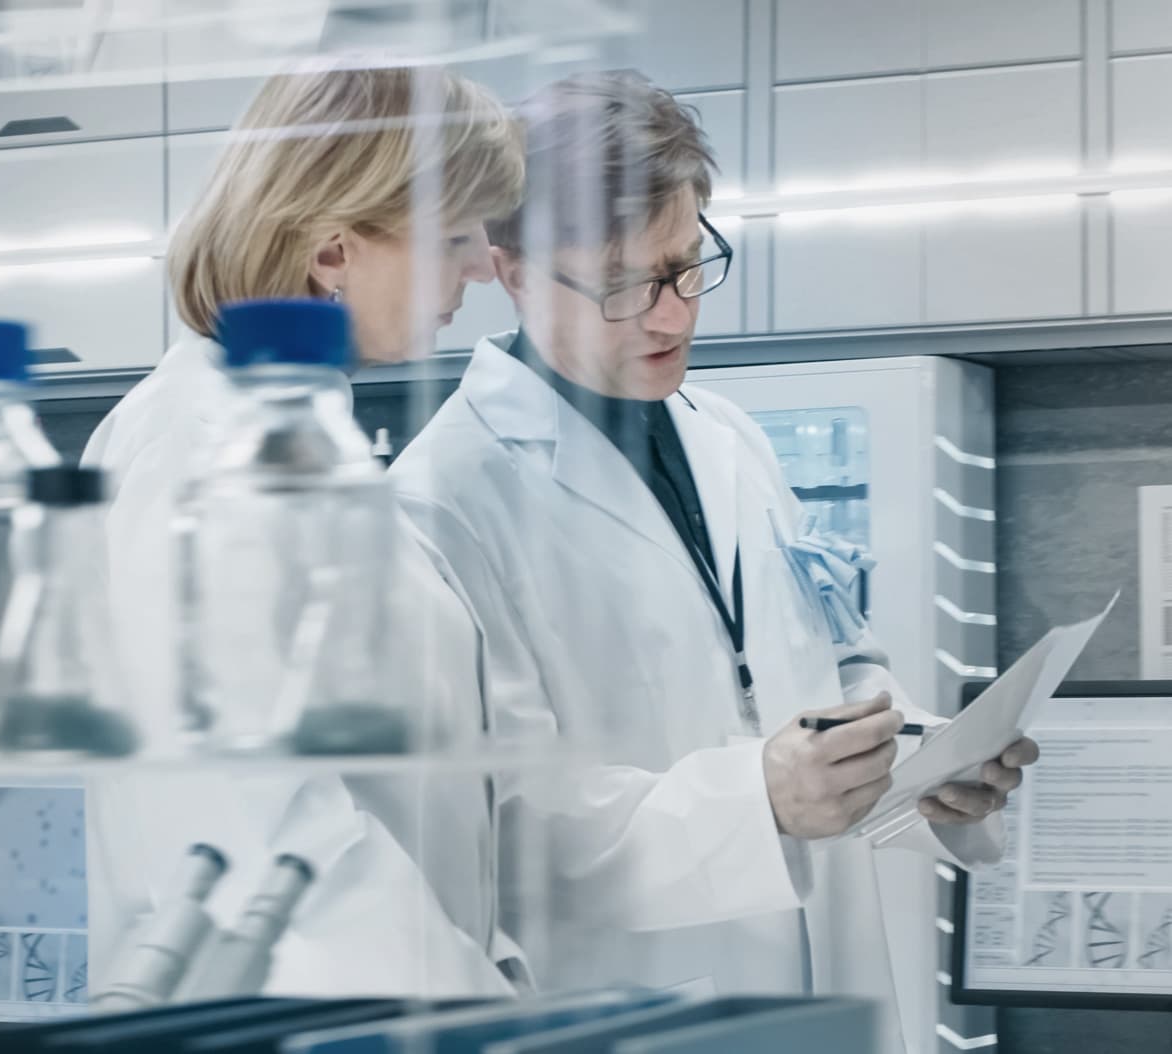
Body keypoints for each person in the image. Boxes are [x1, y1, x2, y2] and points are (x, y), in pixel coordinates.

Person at [388, 70, 1039, 1049]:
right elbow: (504, 828)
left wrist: (919, 757)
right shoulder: (443, 498)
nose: (672, 315)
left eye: (687, 264)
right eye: (624, 284)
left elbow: (828, 665)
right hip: (639, 1002)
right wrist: (759, 800)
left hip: (830, 984)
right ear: (510, 267)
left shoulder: (726, 435)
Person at [81, 60, 526, 998]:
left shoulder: (295, 437)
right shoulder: (200, 449)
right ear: (332, 252)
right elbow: (255, 826)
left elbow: (411, 794)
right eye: (453, 236)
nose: (486, 264)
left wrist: (493, 964)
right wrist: (478, 1009)